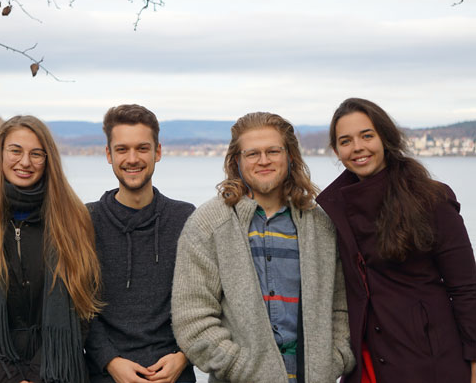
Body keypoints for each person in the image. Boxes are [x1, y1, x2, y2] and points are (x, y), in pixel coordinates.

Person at [172, 112, 354, 383]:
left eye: (273, 151)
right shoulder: (209, 224)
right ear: (237, 161)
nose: (264, 160)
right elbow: (192, 318)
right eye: (252, 153)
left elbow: (343, 306)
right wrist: (243, 368)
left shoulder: (321, 226)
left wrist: (333, 360)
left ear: (290, 157)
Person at [316, 98, 476, 383]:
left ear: (385, 137)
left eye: (367, 136)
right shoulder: (331, 209)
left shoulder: (431, 199)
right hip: (367, 361)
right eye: (346, 141)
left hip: (431, 361)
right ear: (336, 151)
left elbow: (466, 288)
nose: (358, 148)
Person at [0, 115, 102, 383]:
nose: (25, 162)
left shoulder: (74, 221)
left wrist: (37, 375)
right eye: (15, 151)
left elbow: (83, 311)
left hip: (60, 372)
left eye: (36, 153)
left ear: (48, 161)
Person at [85, 104, 196, 383]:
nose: (132, 158)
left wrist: (184, 355)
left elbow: (205, 301)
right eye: (122, 149)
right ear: (109, 155)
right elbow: (79, 304)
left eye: (142, 148)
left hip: (175, 373)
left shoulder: (185, 218)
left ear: (158, 152)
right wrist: (109, 361)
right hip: (105, 375)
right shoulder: (85, 220)